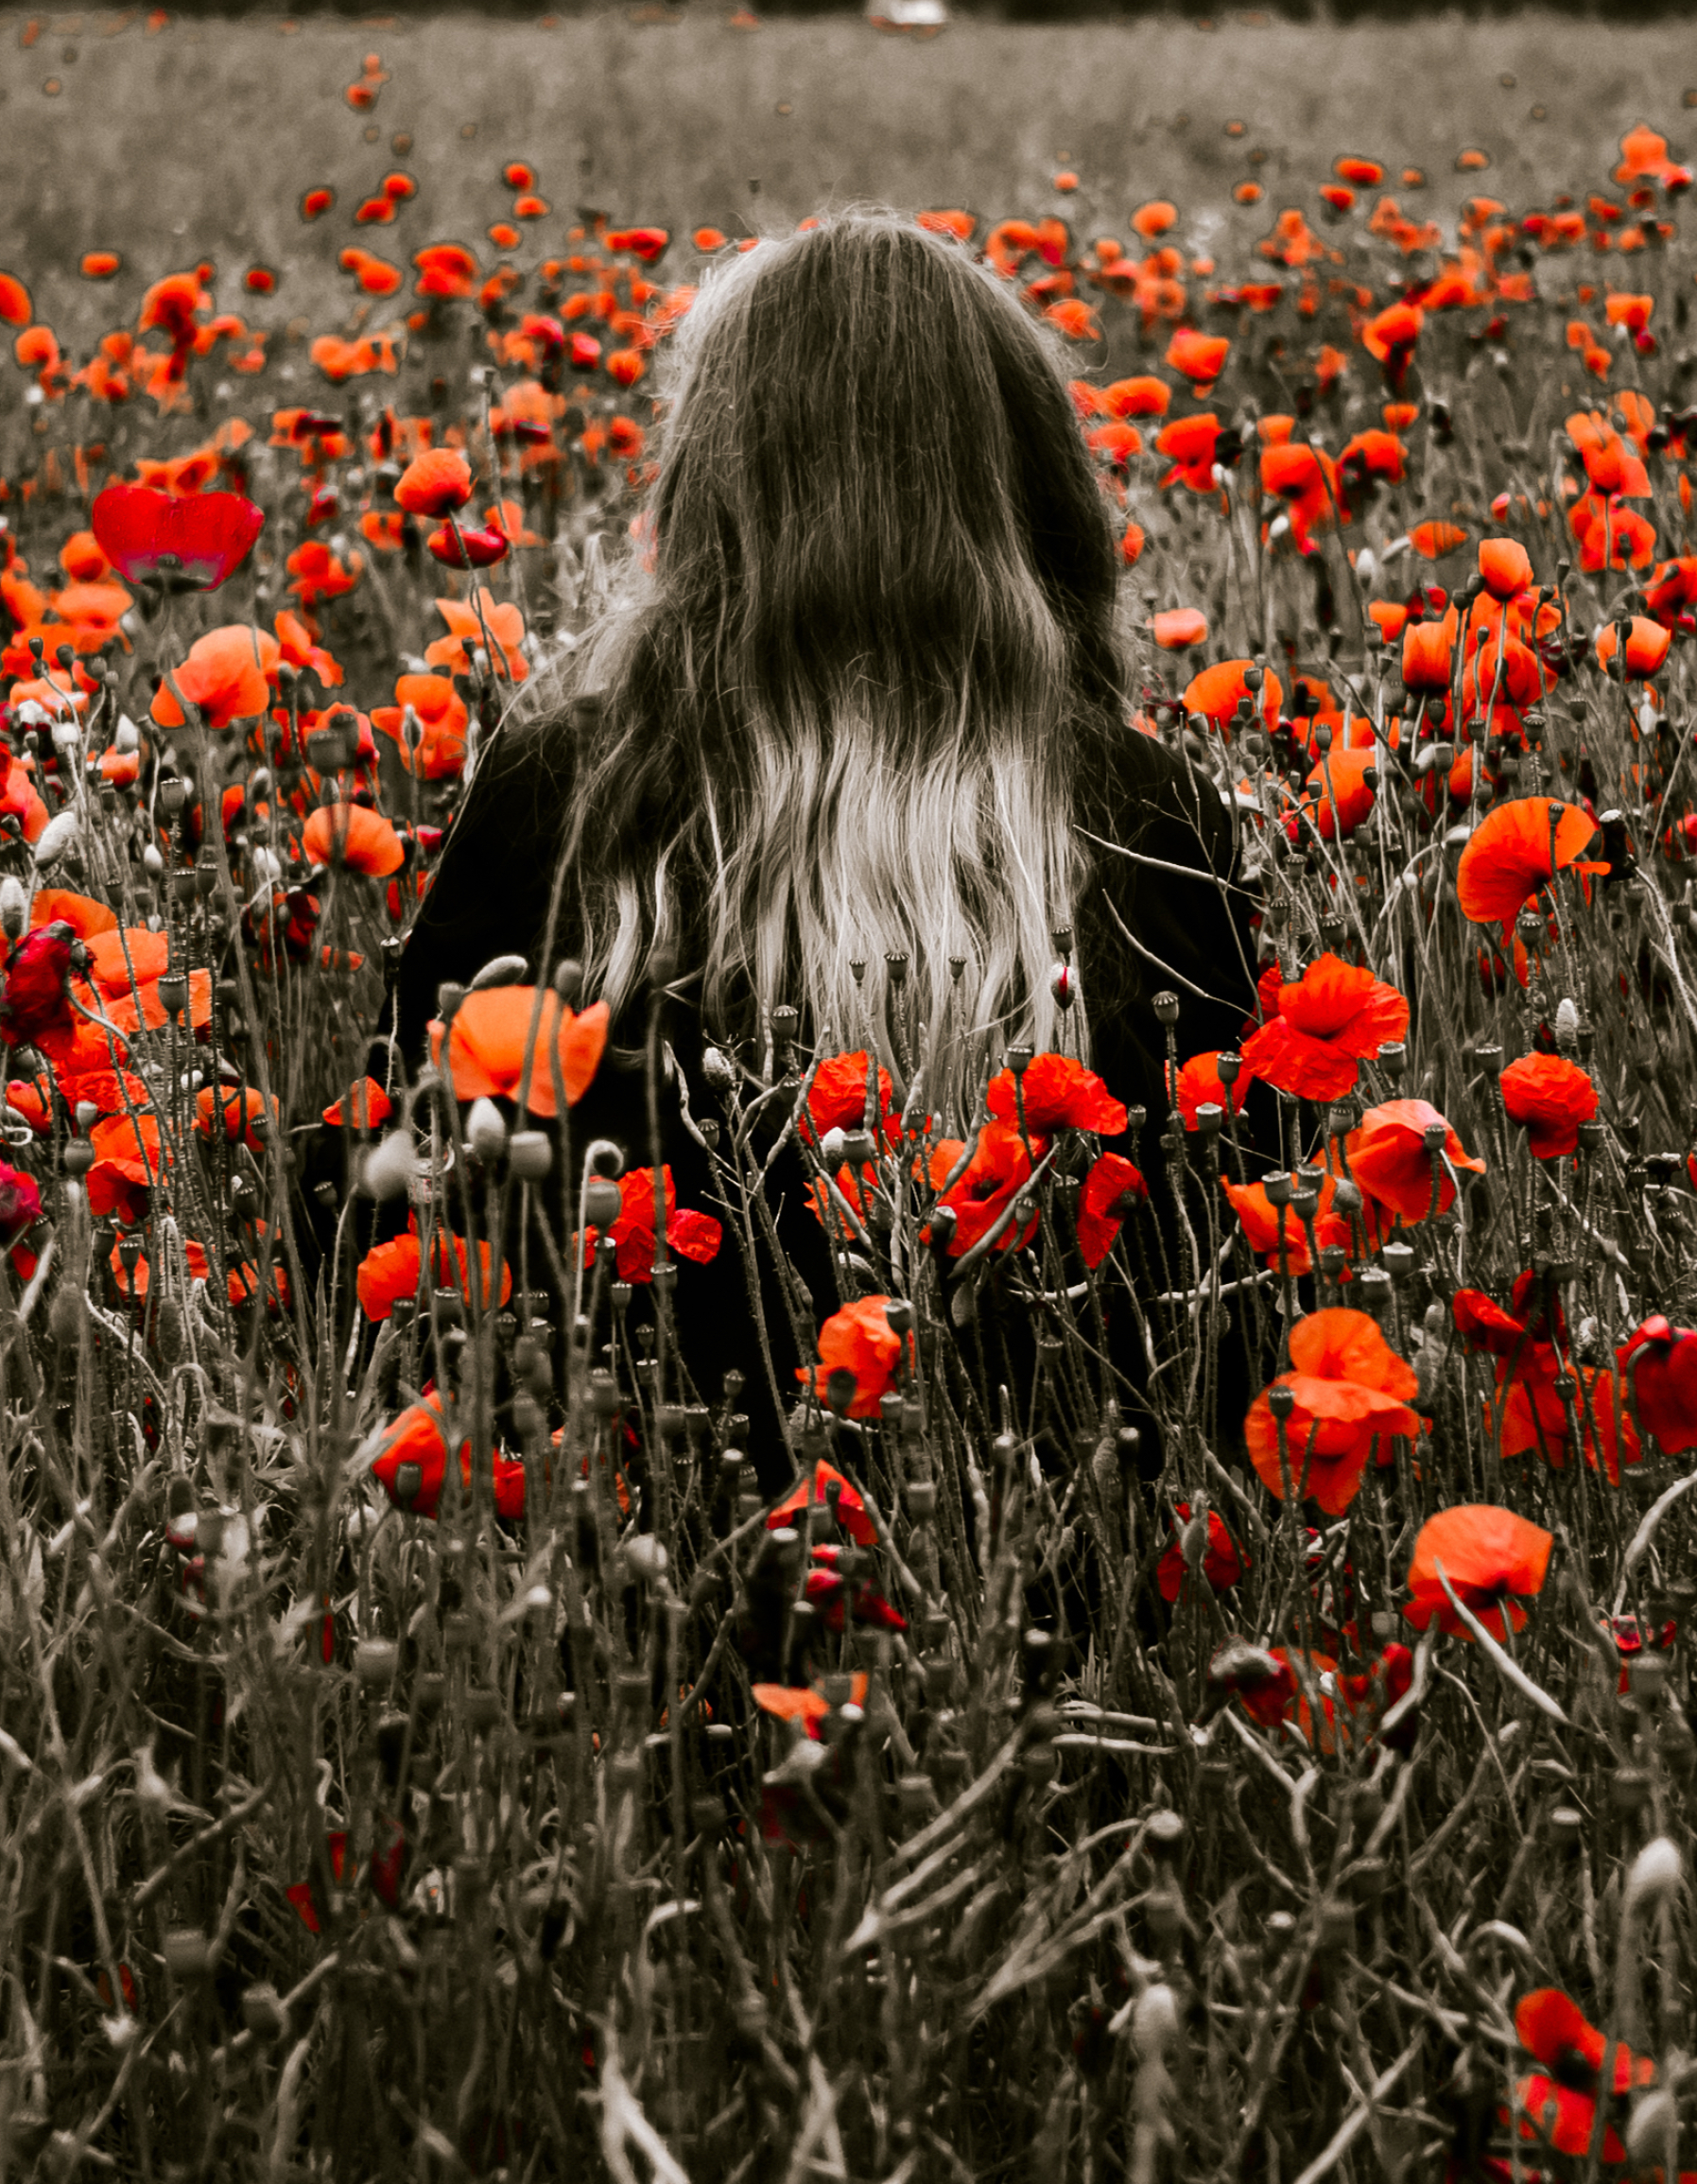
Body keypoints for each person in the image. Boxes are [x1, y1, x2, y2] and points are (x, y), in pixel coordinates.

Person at [355, 211, 1263, 1487]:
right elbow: (1234, 1280)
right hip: (1074, 1569)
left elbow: (396, 1197)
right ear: (1039, 493)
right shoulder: (1149, 814)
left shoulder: (568, 792)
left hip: (636, 1555)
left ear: (708, 488)